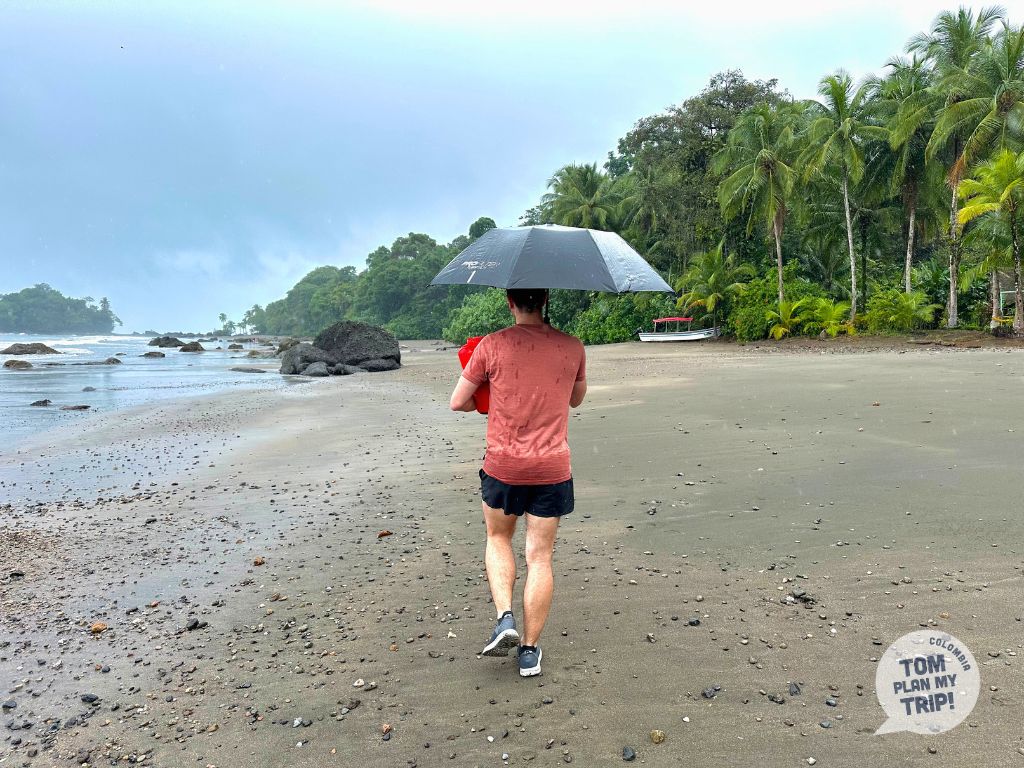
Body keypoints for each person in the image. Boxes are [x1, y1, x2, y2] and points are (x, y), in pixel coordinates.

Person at [449, 287, 587, 677]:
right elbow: (575, 399)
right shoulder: (572, 346)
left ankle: (504, 617)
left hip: (504, 466)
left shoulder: (491, 346)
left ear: (509, 302)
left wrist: (491, 391)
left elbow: (457, 402)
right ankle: (529, 652)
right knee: (540, 556)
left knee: (497, 539)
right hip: (552, 468)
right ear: (544, 301)